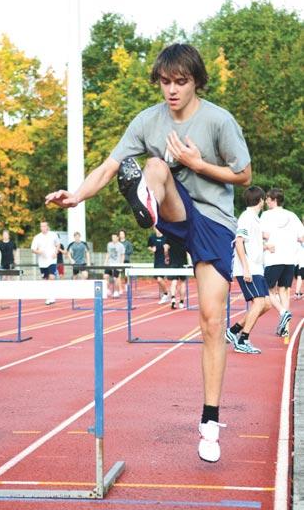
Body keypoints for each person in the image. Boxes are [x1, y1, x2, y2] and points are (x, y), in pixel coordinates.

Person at [45, 43, 252, 463]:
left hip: (214, 221)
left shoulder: (218, 120)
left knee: (212, 321)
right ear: (158, 82)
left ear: (196, 82)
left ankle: (210, 421)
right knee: (154, 166)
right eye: (165, 82)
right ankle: (149, 205)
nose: (172, 90)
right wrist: (77, 196)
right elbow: (108, 166)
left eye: (181, 82)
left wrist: (197, 164)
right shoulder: (148, 121)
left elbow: (244, 175)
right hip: (175, 207)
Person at [225, 186, 271, 354]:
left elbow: (252, 243)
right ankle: (243, 339)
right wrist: (246, 269)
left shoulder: (255, 219)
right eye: (264, 199)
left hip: (257, 268)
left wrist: (266, 246)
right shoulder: (246, 217)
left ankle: (233, 330)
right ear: (260, 200)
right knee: (259, 302)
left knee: (267, 304)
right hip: (248, 268)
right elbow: (239, 242)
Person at [260, 188, 304, 336]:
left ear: (274, 200)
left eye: (267, 199)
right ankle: (285, 328)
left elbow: (264, 234)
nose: (265, 201)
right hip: (290, 259)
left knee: (267, 290)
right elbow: (302, 236)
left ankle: (283, 312)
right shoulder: (292, 215)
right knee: (284, 290)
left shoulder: (266, 215)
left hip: (274, 258)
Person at [31, 221, 60, 305]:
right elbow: (33, 249)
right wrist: (38, 252)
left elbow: (58, 244)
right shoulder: (37, 237)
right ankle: (48, 296)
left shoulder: (53, 235)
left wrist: (56, 252)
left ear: (47, 227)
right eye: (41, 226)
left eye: (44, 226)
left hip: (52, 260)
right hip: (42, 261)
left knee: (52, 277)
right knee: (45, 279)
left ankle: (52, 297)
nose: (43, 228)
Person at [147, 227, 170, 304]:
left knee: (159, 279)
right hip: (156, 261)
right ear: (154, 228)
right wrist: (151, 249)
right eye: (156, 228)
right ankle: (164, 295)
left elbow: (170, 247)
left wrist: (167, 250)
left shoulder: (165, 237)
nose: (158, 230)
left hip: (164, 261)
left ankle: (166, 294)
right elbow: (149, 246)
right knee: (159, 280)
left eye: (159, 228)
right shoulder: (152, 237)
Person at [166, 237, 188, 309]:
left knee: (174, 281)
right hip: (183, 262)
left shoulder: (169, 236)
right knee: (183, 282)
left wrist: (166, 257)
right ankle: (181, 302)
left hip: (173, 262)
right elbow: (188, 251)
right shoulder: (184, 236)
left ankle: (173, 298)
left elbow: (165, 248)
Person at [104, 233, 125, 297]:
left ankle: (116, 291)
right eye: (112, 237)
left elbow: (122, 255)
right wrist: (105, 261)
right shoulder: (109, 244)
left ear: (117, 238)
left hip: (117, 264)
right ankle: (107, 290)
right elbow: (108, 253)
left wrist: (121, 264)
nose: (113, 239)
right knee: (105, 276)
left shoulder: (121, 245)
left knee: (115, 279)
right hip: (110, 263)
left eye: (114, 237)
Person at [294, 215, 304, 300]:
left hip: (300, 257)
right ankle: (297, 293)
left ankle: (297, 292)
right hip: (301, 257)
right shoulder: (300, 229)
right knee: (301, 274)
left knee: (300, 275)